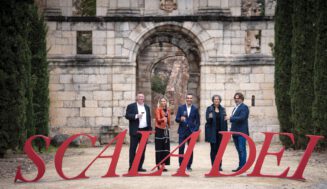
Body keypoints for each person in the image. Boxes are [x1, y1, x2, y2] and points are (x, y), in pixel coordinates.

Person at [125, 92, 152, 172]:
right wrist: (136, 116)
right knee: (133, 149)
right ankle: (132, 167)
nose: (141, 98)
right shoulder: (131, 106)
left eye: (142, 97)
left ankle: (139, 166)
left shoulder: (147, 107)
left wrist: (149, 129)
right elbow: (127, 115)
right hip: (135, 131)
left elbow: (149, 118)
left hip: (145, 131)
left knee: (142, 150)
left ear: (144, 98)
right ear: (137, 98)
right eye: (139, 97)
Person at [225, 92, 249, 172]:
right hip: (235, 132)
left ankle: (243, 167)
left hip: (241, 132)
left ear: (242, 99)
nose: (236, 99)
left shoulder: (244, 107)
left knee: (242, 150)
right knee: (239, 150)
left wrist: (230, 118)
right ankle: (240, 166)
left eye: (238, 98)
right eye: (235, 98)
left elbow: (242, 118)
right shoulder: (235, 108)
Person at [175, 93, 200, 171]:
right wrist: (180, 119)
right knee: (181, 148)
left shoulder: (195, 109)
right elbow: (176, 119)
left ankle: (188, 166)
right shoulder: (181, 108)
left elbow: (198, 122)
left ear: (192, 99)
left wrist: (195, 130)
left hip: (191, 132)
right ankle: (181, 165)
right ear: (186, 99)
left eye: (190, 98)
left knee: (190, 149)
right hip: (182, 131)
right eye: (188, 98)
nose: (189, 99)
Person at [205, 95, 228, 171]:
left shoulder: (223, 109)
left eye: (218, 99)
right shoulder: (209, 109)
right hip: (213, 132)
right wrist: (210, 117)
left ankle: (219, 165)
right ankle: (214, 165)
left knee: (220, 149)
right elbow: (208, 121)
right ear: (213, 100)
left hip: (221, 133)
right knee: (213, 149)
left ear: (220, 100)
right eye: (215, 99)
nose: (216, 100)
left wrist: (226, 133)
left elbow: (225, 121)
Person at [154, 97, 171, 172]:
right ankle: (159, 165)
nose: (163, 102)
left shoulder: (168, 110)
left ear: (166, 102)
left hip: (166, 130)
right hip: (159, 129)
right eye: (162, 101)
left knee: (165, 148)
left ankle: (163, 165)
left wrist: (168, 125)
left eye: (164, 101)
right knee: (159, 148)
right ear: (160, 102)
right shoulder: (158, 109)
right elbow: (158, 119)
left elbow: (169, 120)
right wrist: (163, 119)